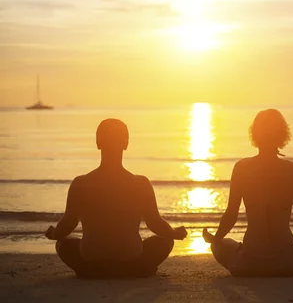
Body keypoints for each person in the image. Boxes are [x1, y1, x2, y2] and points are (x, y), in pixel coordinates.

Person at [44, 118, 187, 278]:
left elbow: (68, 223)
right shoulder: (140, 183)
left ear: (98, 143)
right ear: (126, 144)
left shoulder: (81, 183)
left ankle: (91, 270)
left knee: (63, 243)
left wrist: (55, 233)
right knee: (165, 241)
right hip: (130, 256)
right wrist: (174, 233)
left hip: (92, 256)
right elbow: (155, 223)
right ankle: (135, 269)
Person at [203, 108, 293, 277]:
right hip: (289, 264)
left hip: (248, 264)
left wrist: (215, 238)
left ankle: (239, 251)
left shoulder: (242, 168)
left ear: (255, 135)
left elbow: (231, 214)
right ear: (282, 135)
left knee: (220, 244)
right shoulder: (292, 170)